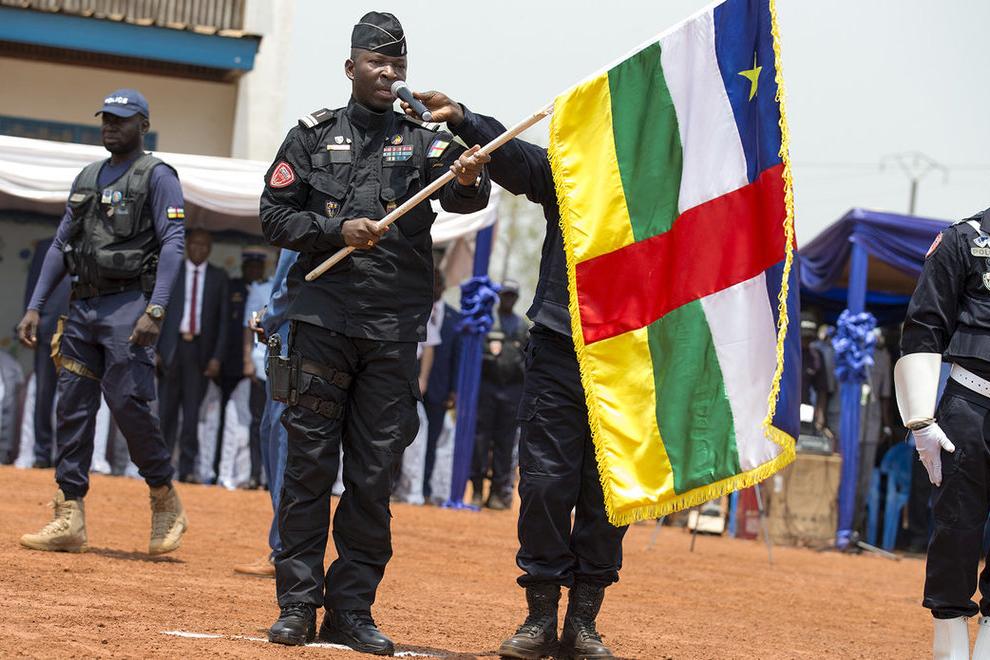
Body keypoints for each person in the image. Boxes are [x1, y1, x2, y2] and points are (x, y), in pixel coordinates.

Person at [258, 12, 491, 653]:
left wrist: (470, 175)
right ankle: (297, 605)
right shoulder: (310, 137)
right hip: (321, 322)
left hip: (391, 330)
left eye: (399, 66)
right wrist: (336, 231)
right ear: (351, 67)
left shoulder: (423, 140)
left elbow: (466, 195)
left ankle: (352, 610)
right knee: (308, 468)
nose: (389, 74)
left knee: (372, 474)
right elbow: (273, 216)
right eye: (377, 63)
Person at [403, 92, 623, 659]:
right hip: (558, 347)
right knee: (545, 484)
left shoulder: (668, 198)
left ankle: (583, 623)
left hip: (629, 362)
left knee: (608, 496)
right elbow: (514, 158)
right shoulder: (573, 176)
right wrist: (463, 117)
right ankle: (540, 618)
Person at [16, 88, 188, 555]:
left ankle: (163, 496)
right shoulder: (88, 175)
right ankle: (69, 512)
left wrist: (156, 309)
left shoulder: (158, 175)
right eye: (106, 119)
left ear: (143, 125)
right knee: (71, 407)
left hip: (129, 306)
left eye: (121, 119)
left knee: (130, 404)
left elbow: (174, 243)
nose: (110, 126)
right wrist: (35, 305)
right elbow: (60, 244)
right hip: (82, 306)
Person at [895, 207, 990, 659]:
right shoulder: (962, 239)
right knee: (956, 530)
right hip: (970, 403)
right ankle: (950, 649)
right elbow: (924, 325)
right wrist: (920, 421)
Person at [233, 248, 298, 579]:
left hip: (291, 343)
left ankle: (284, 550)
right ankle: (285, 548)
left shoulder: (301, 226)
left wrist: (267, 316)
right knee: (274, 439)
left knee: (281, 444)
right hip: (290, 340)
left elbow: (292, 282)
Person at [158, 228, 229, 482]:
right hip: (172, 348)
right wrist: (156, 349)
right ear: (187, 245)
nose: (199, 249)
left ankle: (186, 469)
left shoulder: (219, 277)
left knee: (191, 415)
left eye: (205, 245)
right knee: (166, 411)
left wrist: (217, 357)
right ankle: (161, 467)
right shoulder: (173, 271)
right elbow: (159, 310)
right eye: (195, 244)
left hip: (200, 352)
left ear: (210, 249)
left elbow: (224, 322)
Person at [470, 279, 527, 510]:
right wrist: (490, 356)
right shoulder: (487, 321)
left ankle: (496, 493)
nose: (508, 299)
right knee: (480, 441)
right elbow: (474, 352)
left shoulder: (523, 326)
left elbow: (529, 358)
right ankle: (476, 490)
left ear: (516, 298)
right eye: (505, 295)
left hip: (512, 392)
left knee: (505, 444)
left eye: (512, 295)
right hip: (488, 389)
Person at [217, 247, 268, 480]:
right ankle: (244, 472)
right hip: (246, 363)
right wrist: (245, 359)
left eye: (259, 266)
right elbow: (240, 326)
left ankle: (261, 474)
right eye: (251, 266)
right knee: (244, 420)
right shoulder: (245, 288)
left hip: (274, 363)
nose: (254, 270)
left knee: (266, 420)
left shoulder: (275, 287)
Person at [22, 236, 71, 468]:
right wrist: (28, 322)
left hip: (82, 330)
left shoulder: (96, 243)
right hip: (47, 328)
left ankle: (67, 455)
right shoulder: (46, 246)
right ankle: (41, 453)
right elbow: (33, 286)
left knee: (74, 397)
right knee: (44, 393)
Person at [423, 267, 460, 500]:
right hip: (410, 386)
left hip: (439, 390)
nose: (434, 287)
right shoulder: (415, 311)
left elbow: (457, 356)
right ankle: (397, 485)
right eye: (431, 282)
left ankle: (424, 488)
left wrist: (454, 390)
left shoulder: (455, 319)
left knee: (432, 441)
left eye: (438, 283)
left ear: (444, 287)